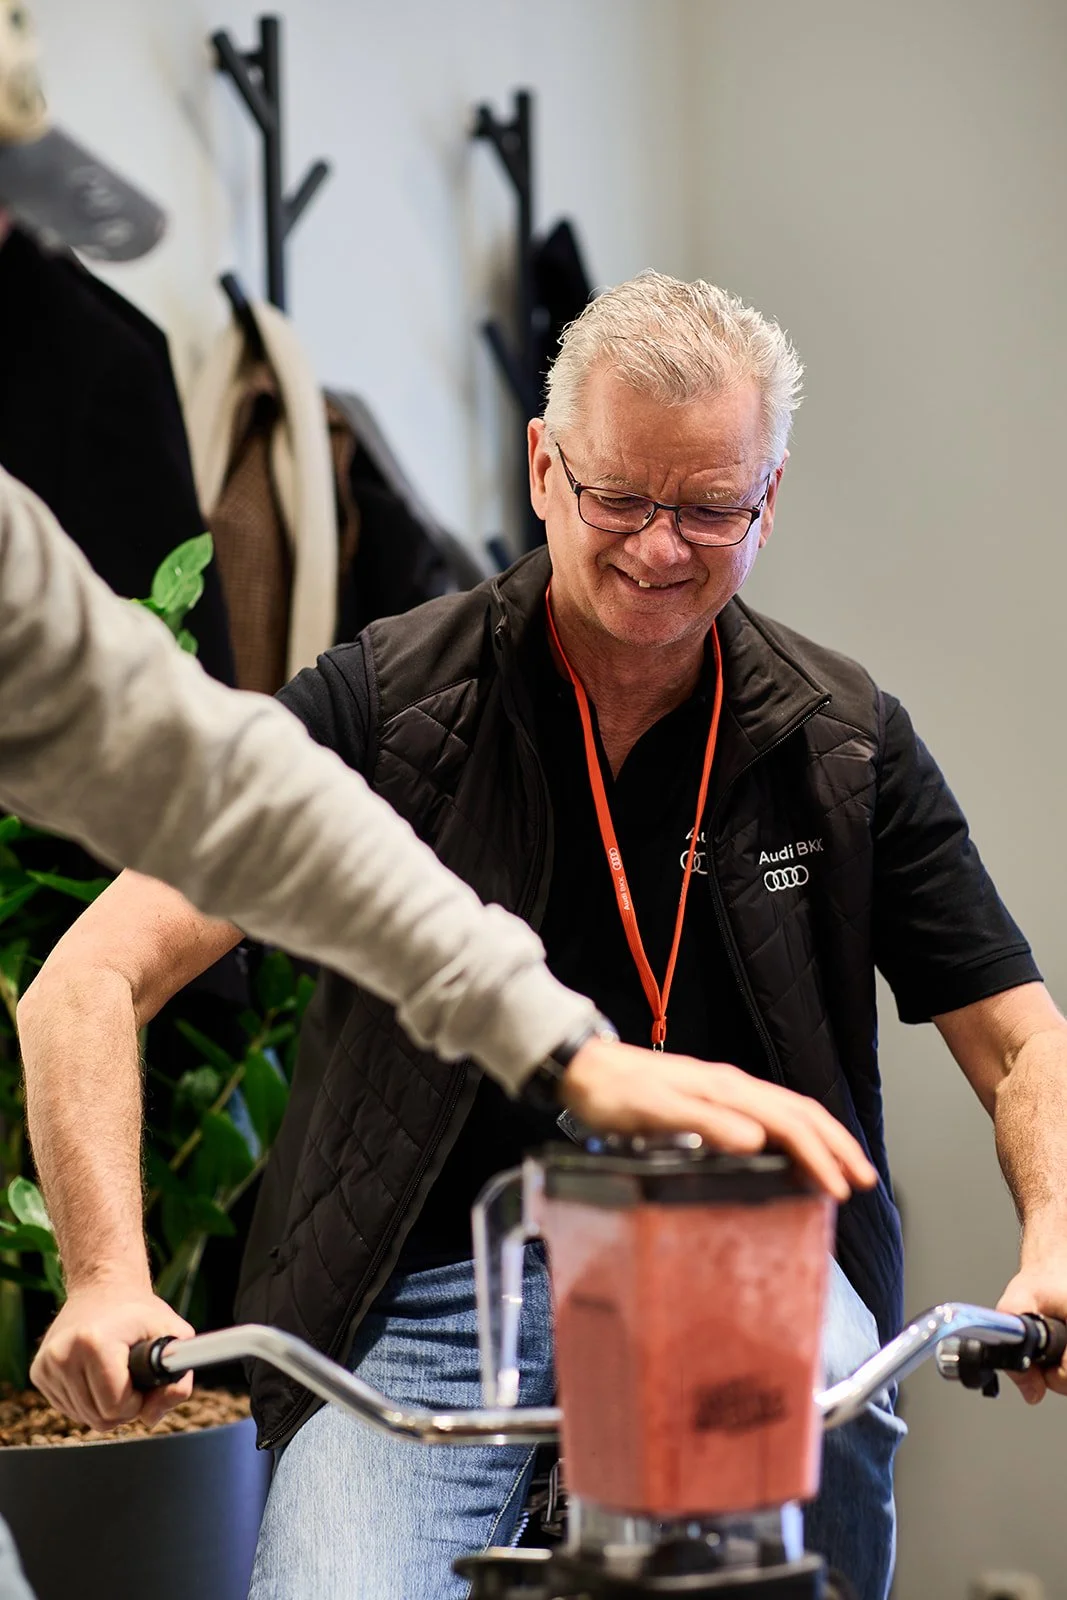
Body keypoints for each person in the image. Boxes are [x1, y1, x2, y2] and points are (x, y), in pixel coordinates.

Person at [22, 271, 1066, 1600]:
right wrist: (108, 1278)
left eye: (709, 509)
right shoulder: (382, 708)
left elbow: (1021, 1045)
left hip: (737, 1262)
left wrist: (1055, 1239)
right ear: (540, 464)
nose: (657, 546)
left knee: (781, 1546)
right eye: (618, 497)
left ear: (769, 501)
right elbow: (89, 978)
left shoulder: (842, 743)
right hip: (423, 1289)